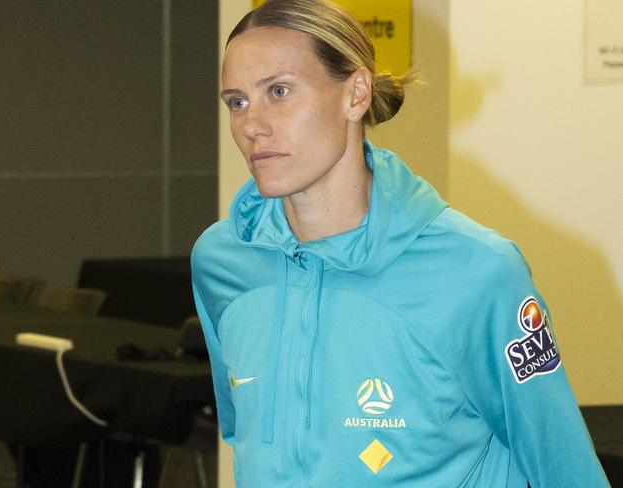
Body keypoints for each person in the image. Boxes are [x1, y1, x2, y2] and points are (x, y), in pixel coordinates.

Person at [191, 0, 610, 486]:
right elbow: (247, 433)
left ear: (356, 94)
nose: (251, 126)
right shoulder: (222, 261)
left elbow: (565, 470)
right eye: (236, 102)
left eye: (279, 91)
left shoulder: (476, 271)